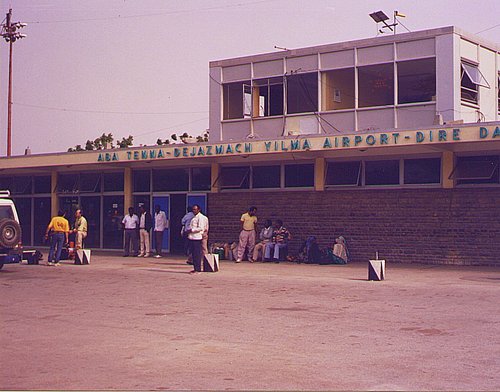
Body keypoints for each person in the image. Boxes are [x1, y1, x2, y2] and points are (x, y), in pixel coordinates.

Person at [187, 204, 209, 274]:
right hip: (192, 237)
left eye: (195, 209)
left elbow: (201, 228)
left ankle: (198, 269)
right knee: (193, 254)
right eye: (193, 209)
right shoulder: (194, 217)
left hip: (197, 237)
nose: (194, 211)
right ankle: (195, 268)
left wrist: (192, 230)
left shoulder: (201, 217)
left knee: (197, 254)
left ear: (199, 210)